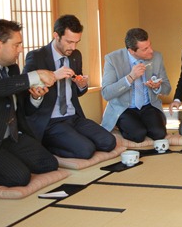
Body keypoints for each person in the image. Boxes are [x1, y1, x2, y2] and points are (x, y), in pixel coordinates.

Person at [0, 19, 58, 187]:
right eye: (16, 45)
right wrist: (36, 75)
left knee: (49, 164)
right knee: (20, 177)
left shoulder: (11, 68)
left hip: (11, 137)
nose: (20, 50)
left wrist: (36, 97)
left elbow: (23, 109)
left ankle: (9, 162)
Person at [23, 15, 116, 159]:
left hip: (73, 116)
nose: (73, 47)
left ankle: (72, 140)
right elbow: (26, 89)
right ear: (56, 36)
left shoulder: (75, 56)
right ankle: (46, 145)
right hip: (50, 120)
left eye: (76, 42)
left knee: (109, 142)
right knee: (86, 150)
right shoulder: (36, 57)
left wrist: (81, 85)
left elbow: (77, 90)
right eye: (69, 42)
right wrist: (53, 75)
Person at [100, 28, 171, 142]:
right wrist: (130, 77)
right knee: (138, 135)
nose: (151, 51)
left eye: (150, 45)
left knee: (159, 133)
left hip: (148, 106)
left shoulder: (157, 57)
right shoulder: (112, 59)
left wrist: (157, 87)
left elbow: (167, 88)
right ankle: (123, 124)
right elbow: (106, 93)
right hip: (125, 108)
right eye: (145, 49)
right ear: (132, 51)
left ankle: (142, 123)